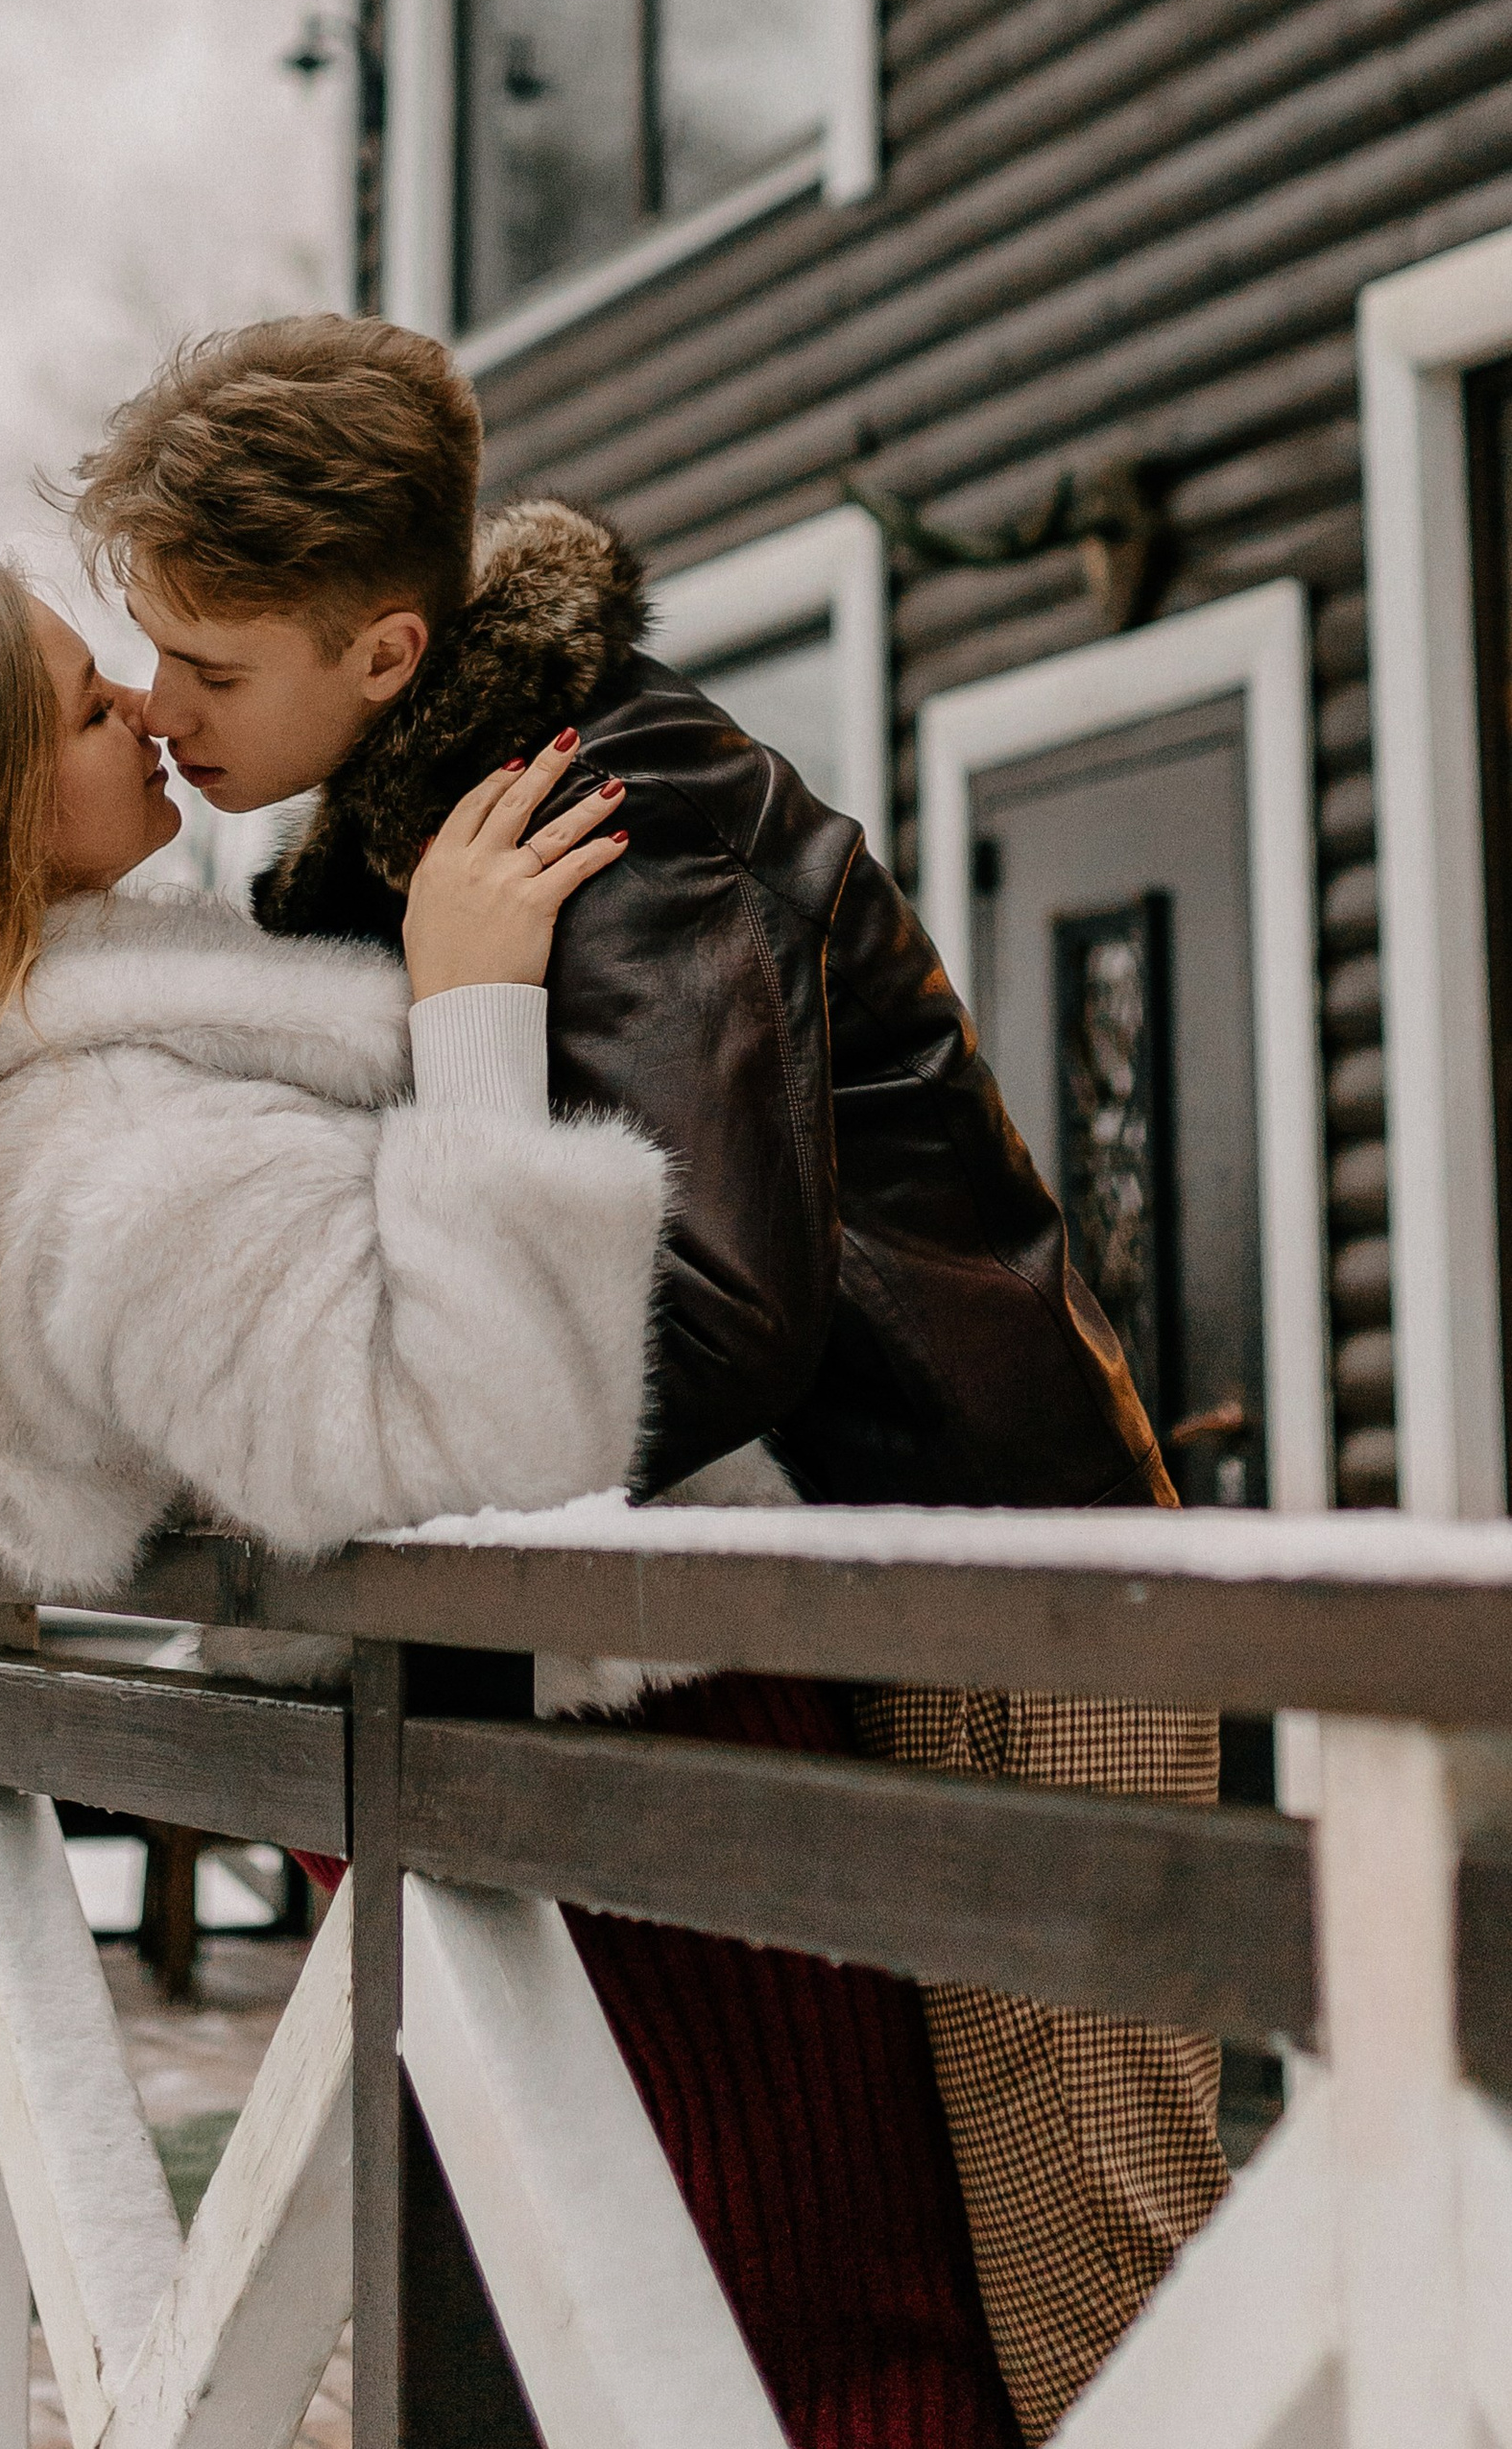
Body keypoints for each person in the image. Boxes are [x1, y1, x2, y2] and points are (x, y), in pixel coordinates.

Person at [64, 312, 1229, 2443]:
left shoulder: (621, 833)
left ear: (391, 656)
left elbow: (706, 1312)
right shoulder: (424, 836)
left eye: (210, 670)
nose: (159, 708)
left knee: (1096, 2273)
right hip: (870, 1586)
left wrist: (369, 1434)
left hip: (1010, 1580)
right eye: (141, 651)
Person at [0, 556, 666, 1663]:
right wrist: (474, 1017)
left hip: (457, 1762)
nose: (148, 711)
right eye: (88, 711)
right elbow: (493, 1475)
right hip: (611, 1755)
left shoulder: (33, 1108)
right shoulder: (125, 1154)